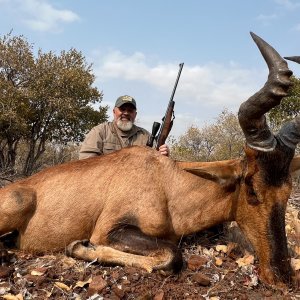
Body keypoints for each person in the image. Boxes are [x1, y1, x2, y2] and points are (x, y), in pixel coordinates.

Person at [79, 95, 169, 159]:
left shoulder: (146, 136)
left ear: (135, 114)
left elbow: (156, 162)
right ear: (114, 111)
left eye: (130, 110)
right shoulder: (99, 131)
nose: (126, 113)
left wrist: (163, 155)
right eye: (122, 109)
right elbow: (86, 162)